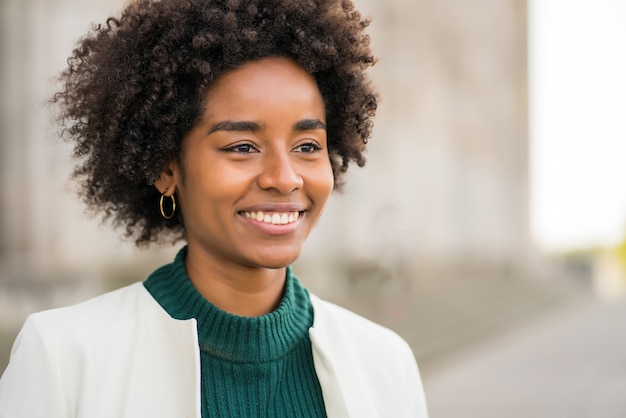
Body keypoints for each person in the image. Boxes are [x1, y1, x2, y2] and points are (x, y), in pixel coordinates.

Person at [0, 0, 428, 416]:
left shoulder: (385, 363)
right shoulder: (63, 357)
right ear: (166, 167)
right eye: (242, 147)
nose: (285, 177)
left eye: (307, 146)